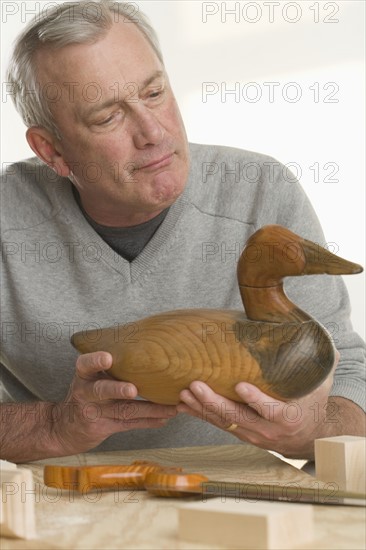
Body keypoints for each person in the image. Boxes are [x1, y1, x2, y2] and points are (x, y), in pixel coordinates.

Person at [1, 0, 364, 463]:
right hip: (58, 508)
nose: (153, 132)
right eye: (108, 117)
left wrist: (312, 431)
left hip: (236, 504)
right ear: (51, 150)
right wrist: (56, 425)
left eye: (154, 94)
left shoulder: (260, 191)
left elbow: (352, 375)